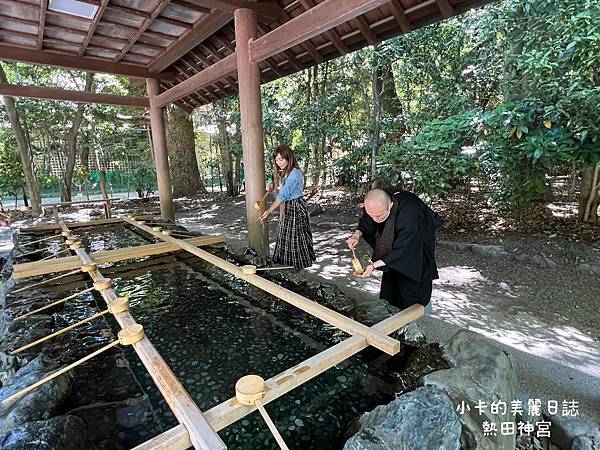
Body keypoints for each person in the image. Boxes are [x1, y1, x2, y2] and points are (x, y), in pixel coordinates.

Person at [347, 188, 440, 312]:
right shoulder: (376, 204)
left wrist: (373, 265)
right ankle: (391, 318)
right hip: (393, 252)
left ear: (390, 205)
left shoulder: (410, 213)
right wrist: (357, 235)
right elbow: (366, 221)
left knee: (410, 297)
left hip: (415, 253)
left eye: (378, 216)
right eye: (371, 215)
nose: (375, 219)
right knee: (390, 292)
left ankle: (418, 317)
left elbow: (404, 249)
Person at [260, 144, 315, 269]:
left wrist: (268, 211)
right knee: (285, 234)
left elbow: (283, 195)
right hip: (288, 206)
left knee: (295, 237)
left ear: (289, 158)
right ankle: (287, 265)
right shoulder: (285, 171)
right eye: (277, 159)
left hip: (295, 206)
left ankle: (297, 266)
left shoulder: (295, 174)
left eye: (282, 159)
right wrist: (272, 184)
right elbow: (279, 183)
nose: (279, 162)